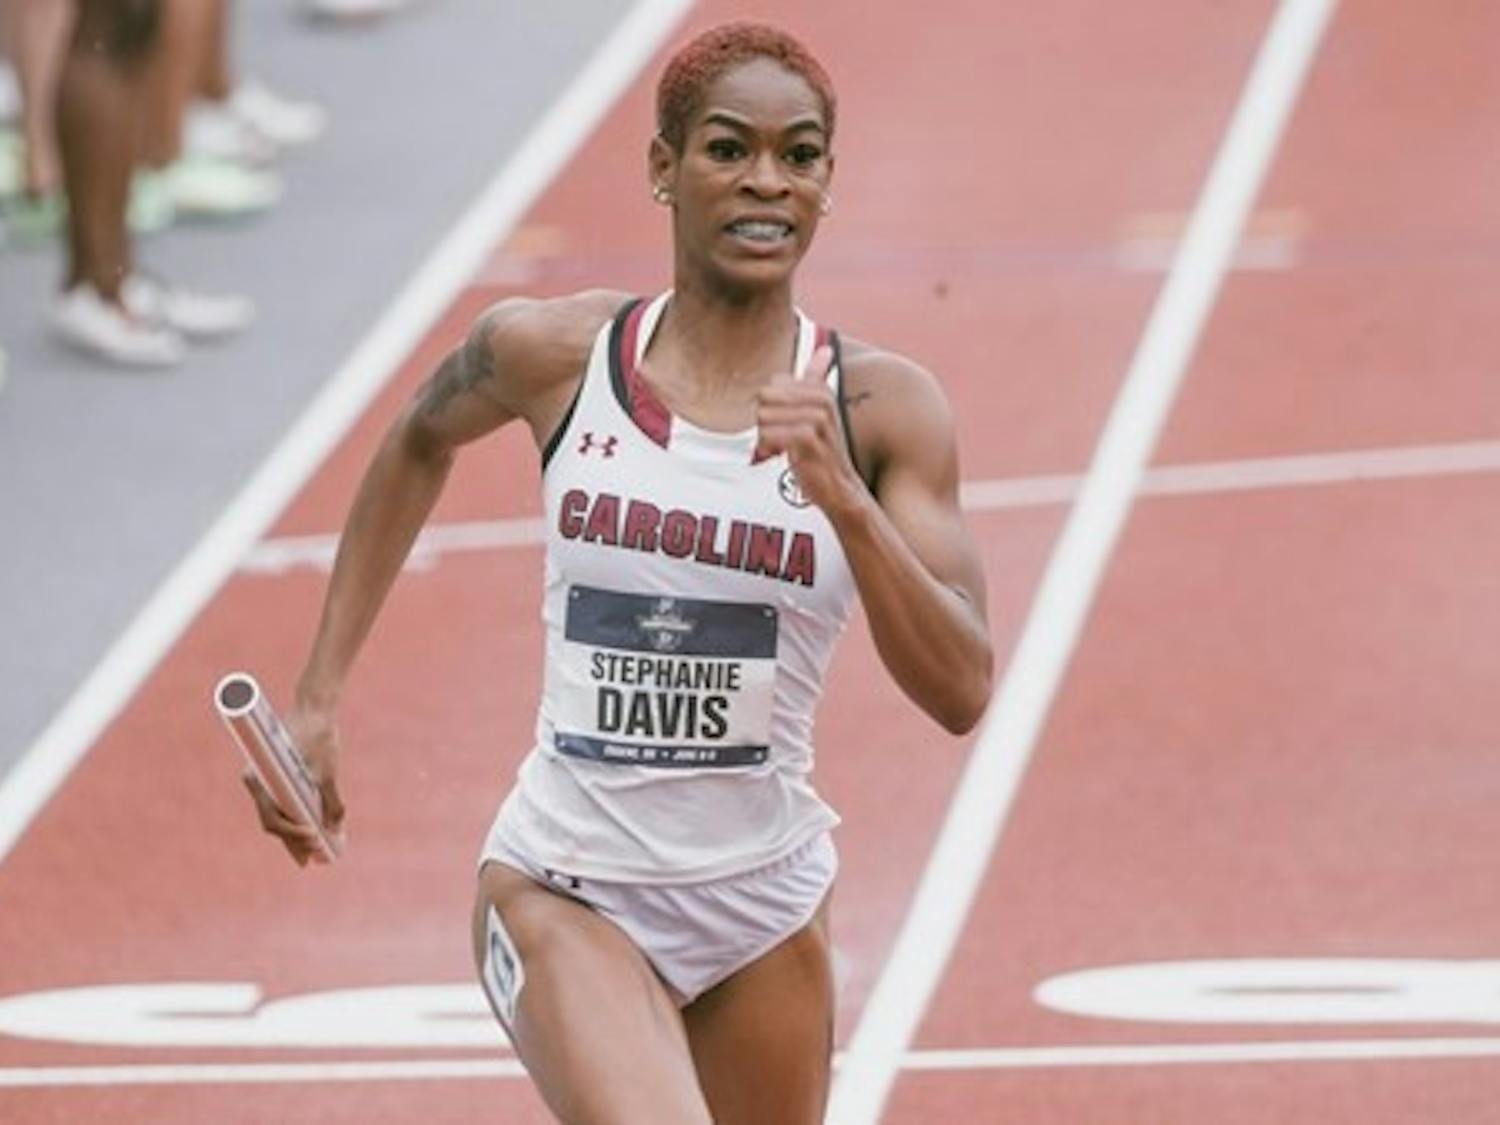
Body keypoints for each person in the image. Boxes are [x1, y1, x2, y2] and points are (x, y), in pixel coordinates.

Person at [244, 21, 993, 1123]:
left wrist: (845, 502)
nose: (765, 183)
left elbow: (963, 689)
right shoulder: (553, 355)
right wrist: (315, 700)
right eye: (728, 149)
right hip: (566, 881)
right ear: (663, 167)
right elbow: (416, 439)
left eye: (800, 157)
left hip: (761, 905)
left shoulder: (881, 410)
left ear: (829, 182)